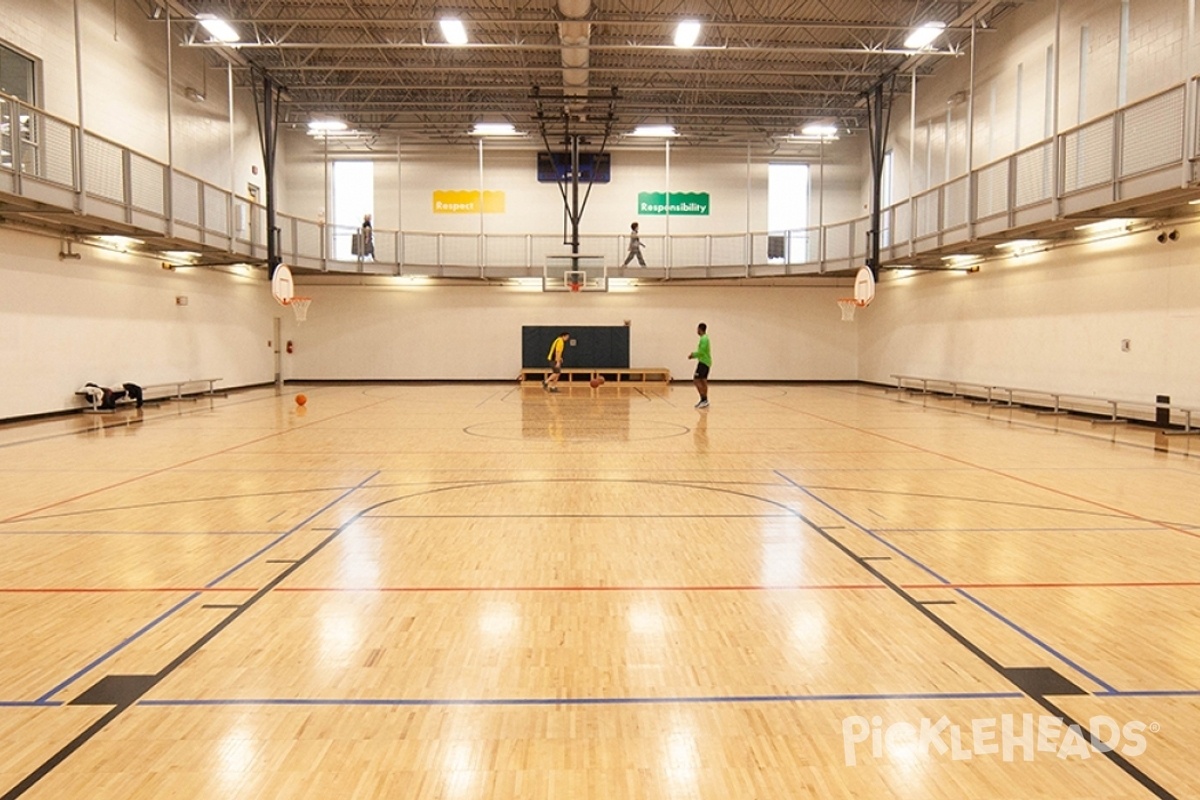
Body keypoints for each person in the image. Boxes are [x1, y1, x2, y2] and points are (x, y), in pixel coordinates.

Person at [687, 322, 711, 408]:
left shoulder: (704, 339)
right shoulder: (705, 338)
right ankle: (705, 400)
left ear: (700, 329)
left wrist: (693, 355)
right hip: (706, 362)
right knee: (703, 380)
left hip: (703, 362)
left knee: (696, 380)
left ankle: (703, 399)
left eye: (697, 329)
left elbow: (701, 352)